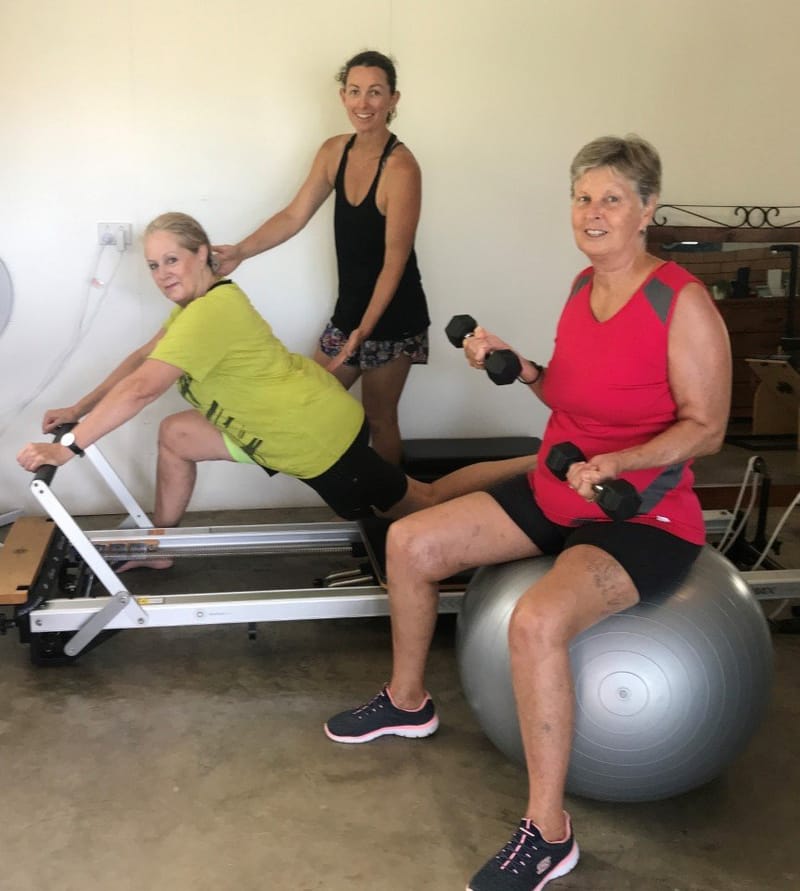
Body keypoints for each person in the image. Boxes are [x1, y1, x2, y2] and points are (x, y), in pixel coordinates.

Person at [323, 136, 732, 891]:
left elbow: (706, 427)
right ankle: (408, 701)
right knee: (409, 541)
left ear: (647, 209)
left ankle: (548, 833)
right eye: (582, 198)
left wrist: (622, 462)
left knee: (537, 621)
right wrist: (518, 366)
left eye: (612, 199)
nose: (593, 212)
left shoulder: (681, 301)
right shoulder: (582, 287)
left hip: (639, 516)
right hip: (561, 486)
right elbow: (568, 394)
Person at [17, 212, 535, 565]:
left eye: (172, 260)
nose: (161, 274)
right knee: (176, 435)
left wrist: (70, 448)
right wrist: (78, 406)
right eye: (153, 265)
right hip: (276, 426)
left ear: (202, 254)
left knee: (425, 501)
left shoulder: (209, 313)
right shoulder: (196, 309)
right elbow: (140, 360)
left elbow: (141, 389)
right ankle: (162, 545)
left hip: (316, 438)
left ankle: (538, 463)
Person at [213, 50, 429, 466]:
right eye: (354, 91)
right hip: (349, 313)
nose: (363, 103)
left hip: (392, 316)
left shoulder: (402, 168)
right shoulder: (334, 152)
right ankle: (356, 492)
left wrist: (365, 330)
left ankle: (393, 504)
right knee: (311, 402)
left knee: (379, 418)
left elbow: (395, 261)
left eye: (375, 92)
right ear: (342, 96)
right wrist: (240, 251)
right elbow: (294, 216)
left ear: (393, 99)